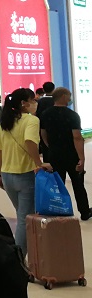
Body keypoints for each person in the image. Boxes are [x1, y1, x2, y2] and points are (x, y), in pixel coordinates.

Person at [0, 88, 53, 256]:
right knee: (24, 220)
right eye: (32, 100)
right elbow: (30, 141)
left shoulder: (5, 123)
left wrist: (0, 174)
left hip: (7, 175)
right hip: (25, 175)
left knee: (22, 216)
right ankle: (18, 259)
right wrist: (39, 163)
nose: (35, 103)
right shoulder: (31, 120)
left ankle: (27, 255)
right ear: (24, 103)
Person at [40, 87, 90, 220]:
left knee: (58, 184)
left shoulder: (45, 114)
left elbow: (43, 133)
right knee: (78, 184)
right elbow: (77, 137)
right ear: (63, 96)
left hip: (54, 155)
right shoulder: (72, 115)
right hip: (71, 155)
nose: (70, 98)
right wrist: (81, 158)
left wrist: (50, 147)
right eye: (69, 96)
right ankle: (84, 211)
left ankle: (60, 211)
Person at [36, 81, 56, 160]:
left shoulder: (40, 101)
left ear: (43, 90)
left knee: (45, 148)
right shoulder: (56, 100)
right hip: (55, 128)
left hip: (43, 127)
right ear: (54, 89)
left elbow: (38, 114)